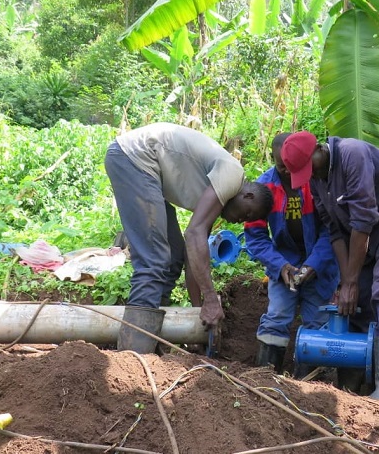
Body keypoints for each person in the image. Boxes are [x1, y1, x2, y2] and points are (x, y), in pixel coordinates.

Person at [280, 131, 379, 401]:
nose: (310, 176)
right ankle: (353, 392)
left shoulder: (352, 154)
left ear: (319, 150)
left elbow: (362, 221)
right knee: (358, 300)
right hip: (369, 237)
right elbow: (335, 232)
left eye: (309, 168)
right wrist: (347, 282)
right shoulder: (317, 180)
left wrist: (350, 280)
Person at [105, 122, 273, 354]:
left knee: (173, 256)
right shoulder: (232, 175)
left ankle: (151, 343)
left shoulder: (221, 196)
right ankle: (134, 354)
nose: (241, 221)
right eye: (247, 214)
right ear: (248, 194)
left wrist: (198, 313)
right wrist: (212, 299)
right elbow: (193, 233)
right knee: (154, 259)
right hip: (133, 158)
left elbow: (194, 252)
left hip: (149, 170)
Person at [244, 133, 339, 376]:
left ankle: (308, 385)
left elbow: (332, 231)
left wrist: (313, 265)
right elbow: (255, 237)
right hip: (283, 265)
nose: (287, 172)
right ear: (273, 160)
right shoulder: (263, 188)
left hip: (320, 268)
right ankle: (263, 380)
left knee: (317, 323)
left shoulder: (315, 181)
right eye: (280, 166)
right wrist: (281, 266)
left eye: (290, 167)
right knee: (276, 317)